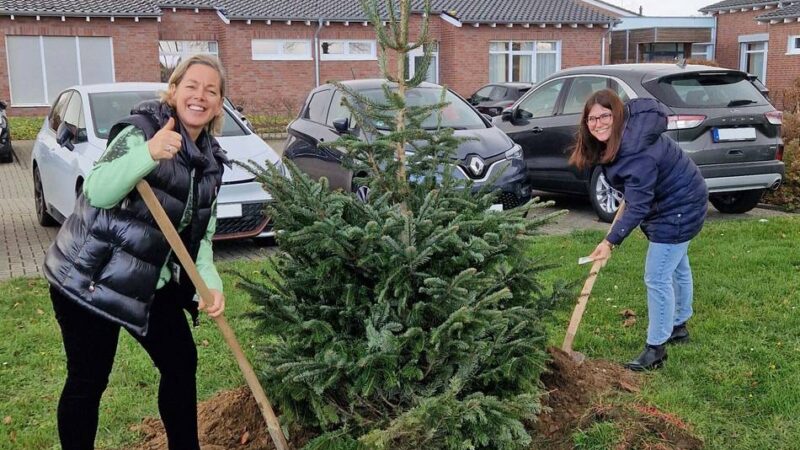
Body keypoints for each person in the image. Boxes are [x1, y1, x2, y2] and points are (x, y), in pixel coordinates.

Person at [44, 54, 229, 450]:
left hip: (147, 281)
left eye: (211, 91)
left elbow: (202, 237)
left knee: (181, 363)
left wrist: (209, 283)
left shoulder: (211, 164)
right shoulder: (141, 131)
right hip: (89, 277)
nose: (200, 96)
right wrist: (149, 153)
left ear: (219, 103)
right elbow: (97, 190)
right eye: (191, 86)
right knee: (88, 380)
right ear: (174, 90)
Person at [570, 89, 708, 371]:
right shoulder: (626, 135)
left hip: (680, 207)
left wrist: (609, 241)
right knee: (678, 266)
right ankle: (678, 326)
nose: (598, 123)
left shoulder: (635, 151)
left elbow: (638, 205)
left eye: (605, 116)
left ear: (618, 114)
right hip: (682, 195)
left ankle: (656, 349)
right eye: (591, 119)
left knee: (657, 276)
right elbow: (637, 191)